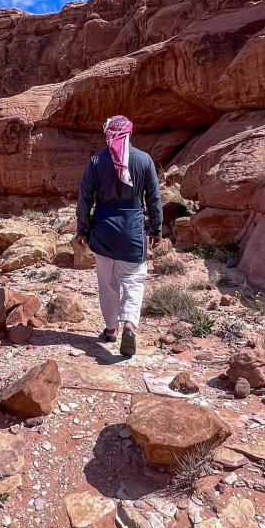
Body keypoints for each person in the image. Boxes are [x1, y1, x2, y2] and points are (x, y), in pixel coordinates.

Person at [76, 115, 163, 357]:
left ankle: (111, 329)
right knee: (133, 281)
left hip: (103, 229)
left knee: (107, 284)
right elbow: (154, 199)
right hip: (132, 230)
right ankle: (129, 325)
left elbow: (85, 198)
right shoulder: (144, 160)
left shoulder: (96, 161)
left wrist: (82, 228)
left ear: (108, 135)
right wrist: (156, 228)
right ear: (129, 133)